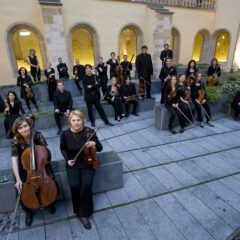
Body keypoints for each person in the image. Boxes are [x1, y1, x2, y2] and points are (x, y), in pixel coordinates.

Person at [60, 110, 102, 230]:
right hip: (72, 164)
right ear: (70, 122)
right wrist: (67, 159)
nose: (76, 123)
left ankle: (84, 214)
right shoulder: (65, 134)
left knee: (86, 185)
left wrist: (94, 143)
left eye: (79, 120)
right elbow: (62, 149)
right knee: (75, 185)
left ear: (82, 120)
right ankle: (77, 209)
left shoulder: (89, 132)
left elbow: (100, 147)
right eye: (74, 120)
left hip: (87, 163)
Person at [11, 116, 56, 227]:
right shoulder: (16, 140)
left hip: (40, 166)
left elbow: (46, 152)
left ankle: (49, 201)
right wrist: (17, 179)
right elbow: (14, 159)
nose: (24, 130)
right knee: (20, 191)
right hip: (25, 168)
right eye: (20, 128)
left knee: (50, 183)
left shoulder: (37, 135)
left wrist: (42, 152)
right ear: (17, 130)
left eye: (25, 126)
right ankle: (28, 211)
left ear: (29, 125)